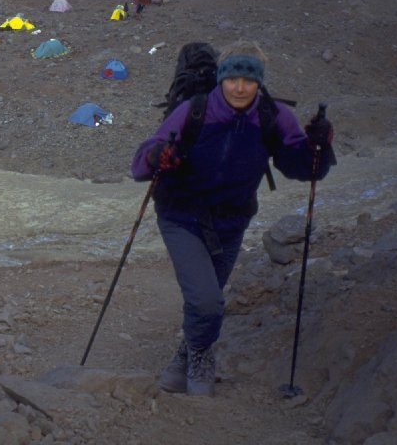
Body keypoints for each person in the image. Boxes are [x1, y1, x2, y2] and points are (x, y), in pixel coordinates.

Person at [130, 41, 334, 396]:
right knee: (207, 299)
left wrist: (318, 147)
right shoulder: (195, 111)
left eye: (249, 79)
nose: (240, 87)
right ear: (222, 78)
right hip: (181, 215)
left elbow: (302, 168)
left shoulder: (273, 117)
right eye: (233, 78)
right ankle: (201, 358)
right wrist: (159, 156)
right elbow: (141, 162)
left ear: (259, 81)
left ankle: (186, 356)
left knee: (207, 299)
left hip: (232, 220)